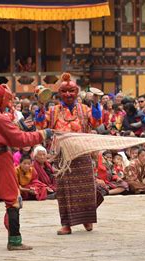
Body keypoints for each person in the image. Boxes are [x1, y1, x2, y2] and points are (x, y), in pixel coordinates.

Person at [0, 83, 52, 251]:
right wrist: (42, 134)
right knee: (12, 200)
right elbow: (20, 140)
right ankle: (14, 241)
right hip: (1, 162)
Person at [47, 73, 103, 235]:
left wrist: (96, 103)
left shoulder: (84, 109)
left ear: (77, 92)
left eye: (71, 91)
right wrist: (39, 109)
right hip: (62, 156)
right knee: (64, 191)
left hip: (81, 153)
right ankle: (67, 224)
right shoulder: (53, 111)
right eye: (64, 91)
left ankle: (87, 219)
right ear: (60, 94)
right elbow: (41, 124)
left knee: (87, 188)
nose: (68, 95)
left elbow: (97, 122)